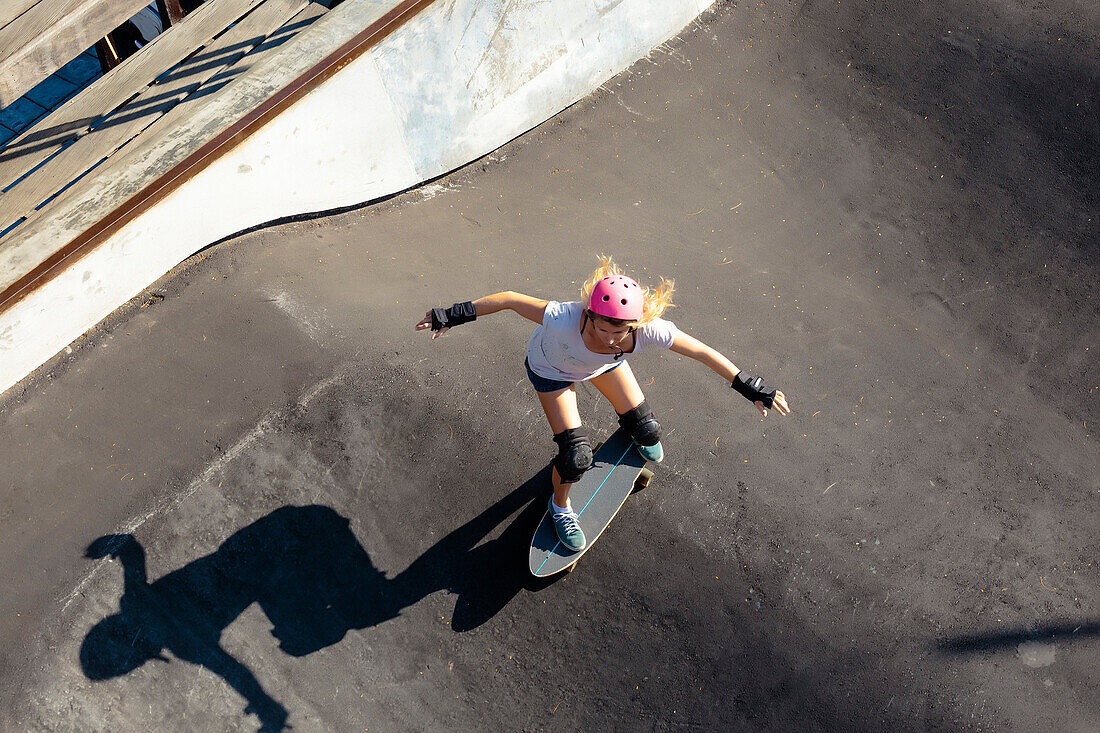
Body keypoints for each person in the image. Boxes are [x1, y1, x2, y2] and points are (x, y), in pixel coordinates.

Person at [415, 255, 790, 551]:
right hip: (552, 371)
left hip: (598, 368)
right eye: (601, 328)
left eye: (619, 333)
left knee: (647, 429)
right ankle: (560, 507)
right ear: (589, 315)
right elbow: (510, 300)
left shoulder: (646, 331)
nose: (610, 338)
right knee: (575, 457)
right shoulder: (563, 318)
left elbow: (703, 353)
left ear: (634, 325)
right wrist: (451, 315)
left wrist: (751, 387)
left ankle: (634, 428)